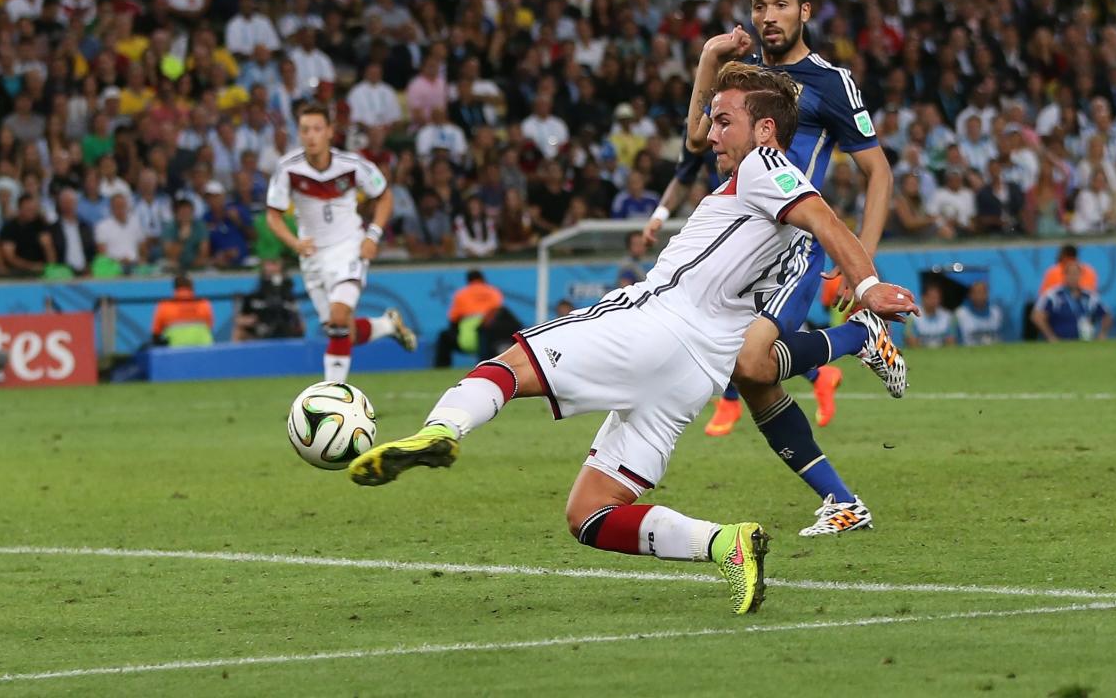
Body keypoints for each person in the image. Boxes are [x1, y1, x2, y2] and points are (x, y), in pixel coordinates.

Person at [349, 63, 917, 615]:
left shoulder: (766, 166)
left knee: (509, 364)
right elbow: (816, 221)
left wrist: (866, 284)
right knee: (590, 514)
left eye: (725, 121)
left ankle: (440, 431)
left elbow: (824, 217)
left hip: (652, 324)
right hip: (695, 375)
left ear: (766, 130)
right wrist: (713, 62)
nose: (712, 133)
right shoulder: (762, 187)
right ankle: (725, 543)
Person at [645, 0, 902, 536]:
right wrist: (710, 60)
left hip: (793, 244)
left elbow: (878, 172)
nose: (768, 17)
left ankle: (863, 335)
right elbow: (694, 139)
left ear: (804, 11)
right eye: (760, 5)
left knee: (751, 365)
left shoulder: (831, 82)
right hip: (735, 247)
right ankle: (842, 503)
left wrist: (863, 260)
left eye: (781, 5)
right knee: (755, 379)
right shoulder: (742, 75)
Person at [266, 104, 417, 382]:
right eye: (305, 130)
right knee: (341, 330)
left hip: (349, 247)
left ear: (330, 132)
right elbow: (273, 215)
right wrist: (294, 243)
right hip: (312, 254)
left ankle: (333, 395)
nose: (311, 136)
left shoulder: (352, 165)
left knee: (338, 320)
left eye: (317, 129)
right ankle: (386, 325)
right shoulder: (289, 169)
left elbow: (384, 196)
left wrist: (373, 235)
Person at [434, 270, 514, 367]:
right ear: (483, 279)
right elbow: (498, 311)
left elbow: (453, 318)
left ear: (468, 280)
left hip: (465, 337)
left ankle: (441, 367)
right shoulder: (493, 291)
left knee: (444, 337)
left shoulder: (461, 294)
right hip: (489, 337)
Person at [1031, 262, 1112, 341]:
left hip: (1085, 342)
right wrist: (1051, 337)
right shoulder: (1052, 295)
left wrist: (1102, 334)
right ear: (1064, 275)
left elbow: (1107, 316)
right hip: (1060, 343)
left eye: (1076, 274)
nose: (1073, 277)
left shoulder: (1090, 296)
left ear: (1081, 276)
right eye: (1070, 274)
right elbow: (1037, 317)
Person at [232, 259, 305, 341]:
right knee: (239, 331)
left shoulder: (288, 297)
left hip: (285, 332)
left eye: (274, 265)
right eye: (267, 266)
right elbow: (239, 320)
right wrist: (249, 320)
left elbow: (300, 325)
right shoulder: (254, 296)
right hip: (260, 332)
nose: (270, 269)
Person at [0, 193, 55, 276]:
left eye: (34, 209)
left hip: (42, 271)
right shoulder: (9, 227)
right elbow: (9, 257)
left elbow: (49, 249)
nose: (32, 212)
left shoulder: (40, 224)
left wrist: (50, 267)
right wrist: (31, 267)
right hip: (16, 273)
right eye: (28, 209)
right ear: (19, 209)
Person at [151, 274, 214, 347]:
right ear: (192, 286)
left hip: (174, 352)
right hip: (204, 350)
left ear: (174, 287)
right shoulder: (204, 304)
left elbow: (156, 334)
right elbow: (210, 326)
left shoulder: (164, 306)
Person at [906, 283, 956, 347]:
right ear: (923, 298)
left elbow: (951, 343)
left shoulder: (947, 316)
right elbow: (911, 343)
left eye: (937, 298)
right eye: (931, 297)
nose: (934, 301)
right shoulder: (913, 316)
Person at [955, 281, 1004, 346]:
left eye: (982, 292)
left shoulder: (996, 312)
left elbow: (1004, 337)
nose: (979, 296)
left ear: (987, 294)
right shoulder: (960, 314)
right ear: (970, 295)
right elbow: (956, 341)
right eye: (976, 292)